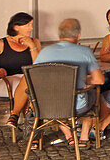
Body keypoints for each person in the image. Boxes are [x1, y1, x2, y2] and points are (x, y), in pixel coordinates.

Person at [34, 19, 105, 149]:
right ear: (78, 36)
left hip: (46, 105)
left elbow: (36, 78)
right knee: (94, 95)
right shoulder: (84, 51)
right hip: (76, 105)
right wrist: (84, 80)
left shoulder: (44, 52)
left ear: (59, 35)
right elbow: (99, 80)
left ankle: (70, 137)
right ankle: (84, 138)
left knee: (58, 102)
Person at [0, 12, 40, 130]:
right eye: (28, 25)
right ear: (16, 27)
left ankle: (14, 115)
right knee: (30, 91)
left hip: (28, 81)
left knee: (27, 80)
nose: (31, 28)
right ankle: (32, 135)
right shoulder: (0, 44)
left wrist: (32, 47)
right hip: (5, 83)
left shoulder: (35, 42)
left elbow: (38, 67)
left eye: (31, 25)